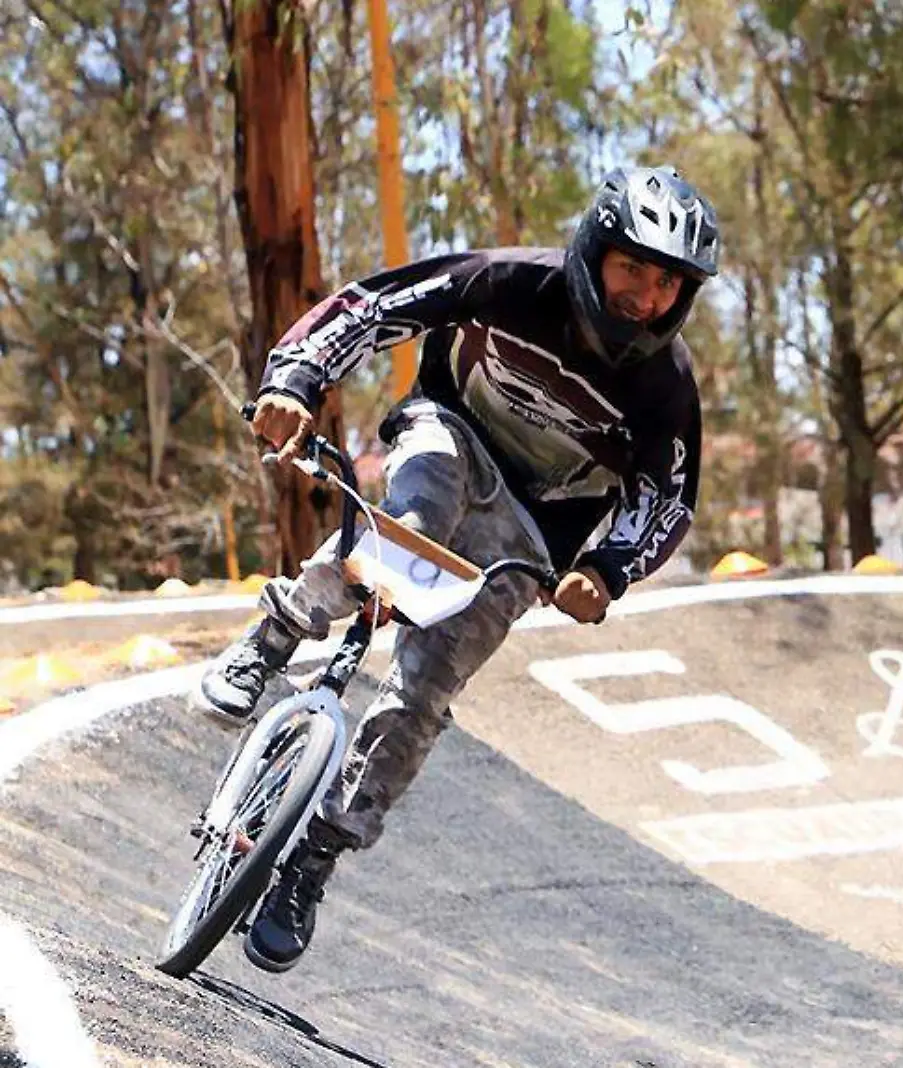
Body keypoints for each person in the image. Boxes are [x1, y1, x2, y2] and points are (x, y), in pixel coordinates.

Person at [192, 165, 718, 971]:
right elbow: (371, 306)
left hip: (533, 532)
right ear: (593, 249)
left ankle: (314, 859)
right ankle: (273, 638)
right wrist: (295, 381)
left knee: (424, 692)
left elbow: (667, 501)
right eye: (633, 272)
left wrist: (608, 571)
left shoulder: (667, 387)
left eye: (667, 285)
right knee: (409, 524)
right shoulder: (508, 281)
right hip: (450, 433)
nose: (646, 299)